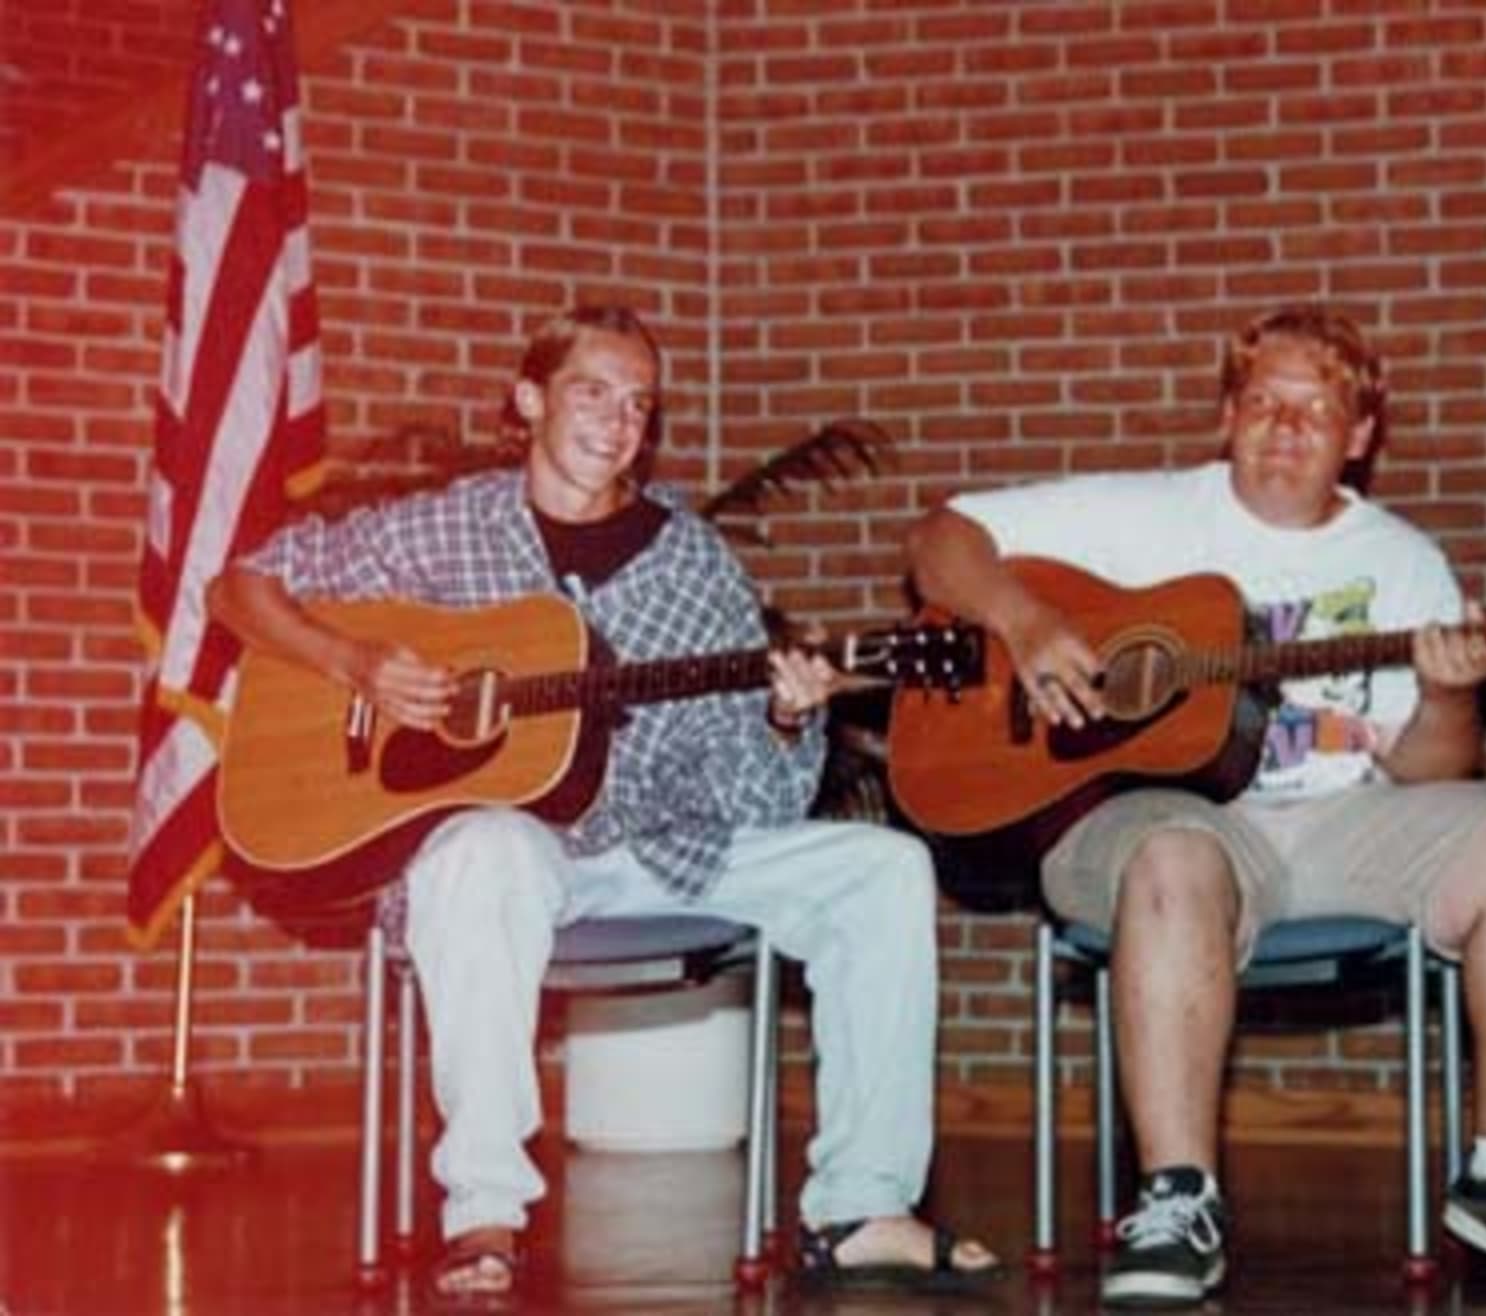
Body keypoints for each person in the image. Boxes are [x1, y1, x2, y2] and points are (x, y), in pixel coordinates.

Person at [210, 304, 998, 1303]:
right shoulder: (445, 524)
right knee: (484, 844)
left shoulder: (693, 564)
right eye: (592, 392)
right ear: (529, 401)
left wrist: (786, 717)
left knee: (884, 867)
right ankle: (485, 1209)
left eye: (638, 404)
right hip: (507, 858)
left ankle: (862, 1207)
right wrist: (355, 662)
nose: (618, 422)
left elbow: (751, 801)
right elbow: (240, 589)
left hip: (653, 850)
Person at [904, 305, 1486, 1307]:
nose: (1285, 428)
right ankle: (1176, 1198)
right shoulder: (1139, 513)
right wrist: (1027, 621)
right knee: (1174, 856)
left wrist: (1446, 694)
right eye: (1262, 402)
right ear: (1227, 416)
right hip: (1148, 819)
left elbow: (1435, 768)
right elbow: (941, 535)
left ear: (1360, 435)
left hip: (1339, 823)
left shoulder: (1401, 561)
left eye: (1316, 409)